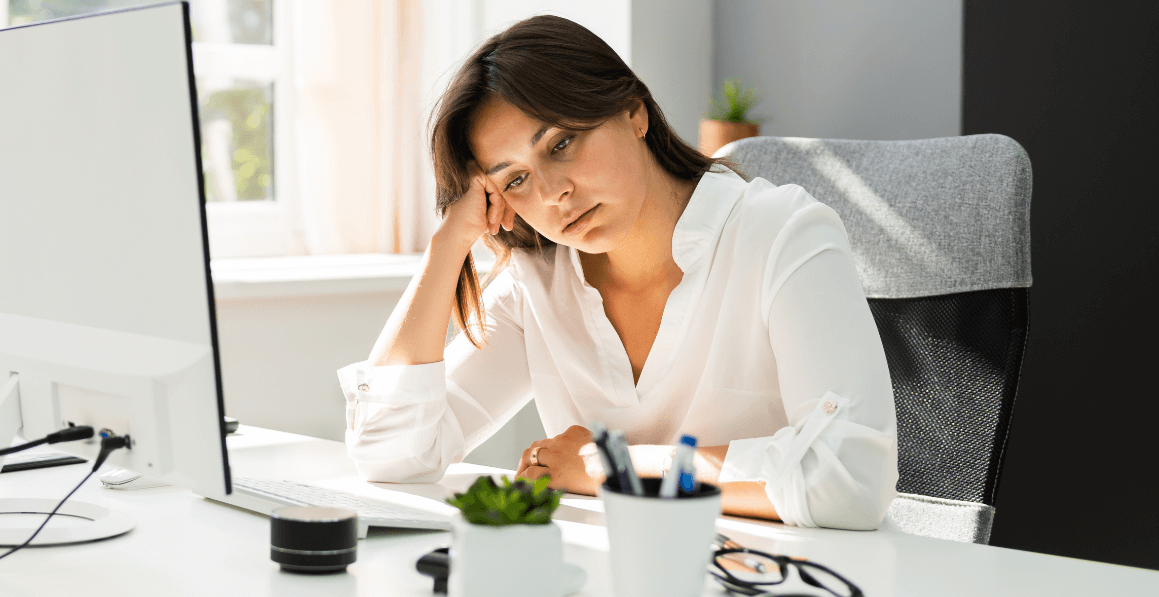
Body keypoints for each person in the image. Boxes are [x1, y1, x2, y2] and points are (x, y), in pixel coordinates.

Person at [338, 15, 897, 530]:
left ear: (633, 111)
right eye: (514, 181)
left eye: (561, 144)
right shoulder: (539, 280)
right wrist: (448, 244)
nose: (554, 194)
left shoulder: (783, 236)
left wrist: (613, 467)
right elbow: (392, 454)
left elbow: (850, 479)